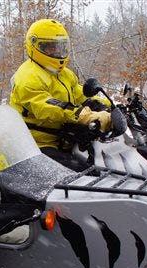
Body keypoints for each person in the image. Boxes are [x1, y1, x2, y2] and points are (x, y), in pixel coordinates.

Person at [10, 18, 112, 171]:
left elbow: (80, 96)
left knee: (100, 163)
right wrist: (85, 116)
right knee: (82, 175)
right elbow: (48, 106)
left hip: (66, 139)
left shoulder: (64, 74)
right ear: (35, 46)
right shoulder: (27, 77)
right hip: (37, 145)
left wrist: (107, 105)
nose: (57, 52)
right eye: (50, 47)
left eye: (60, 46)